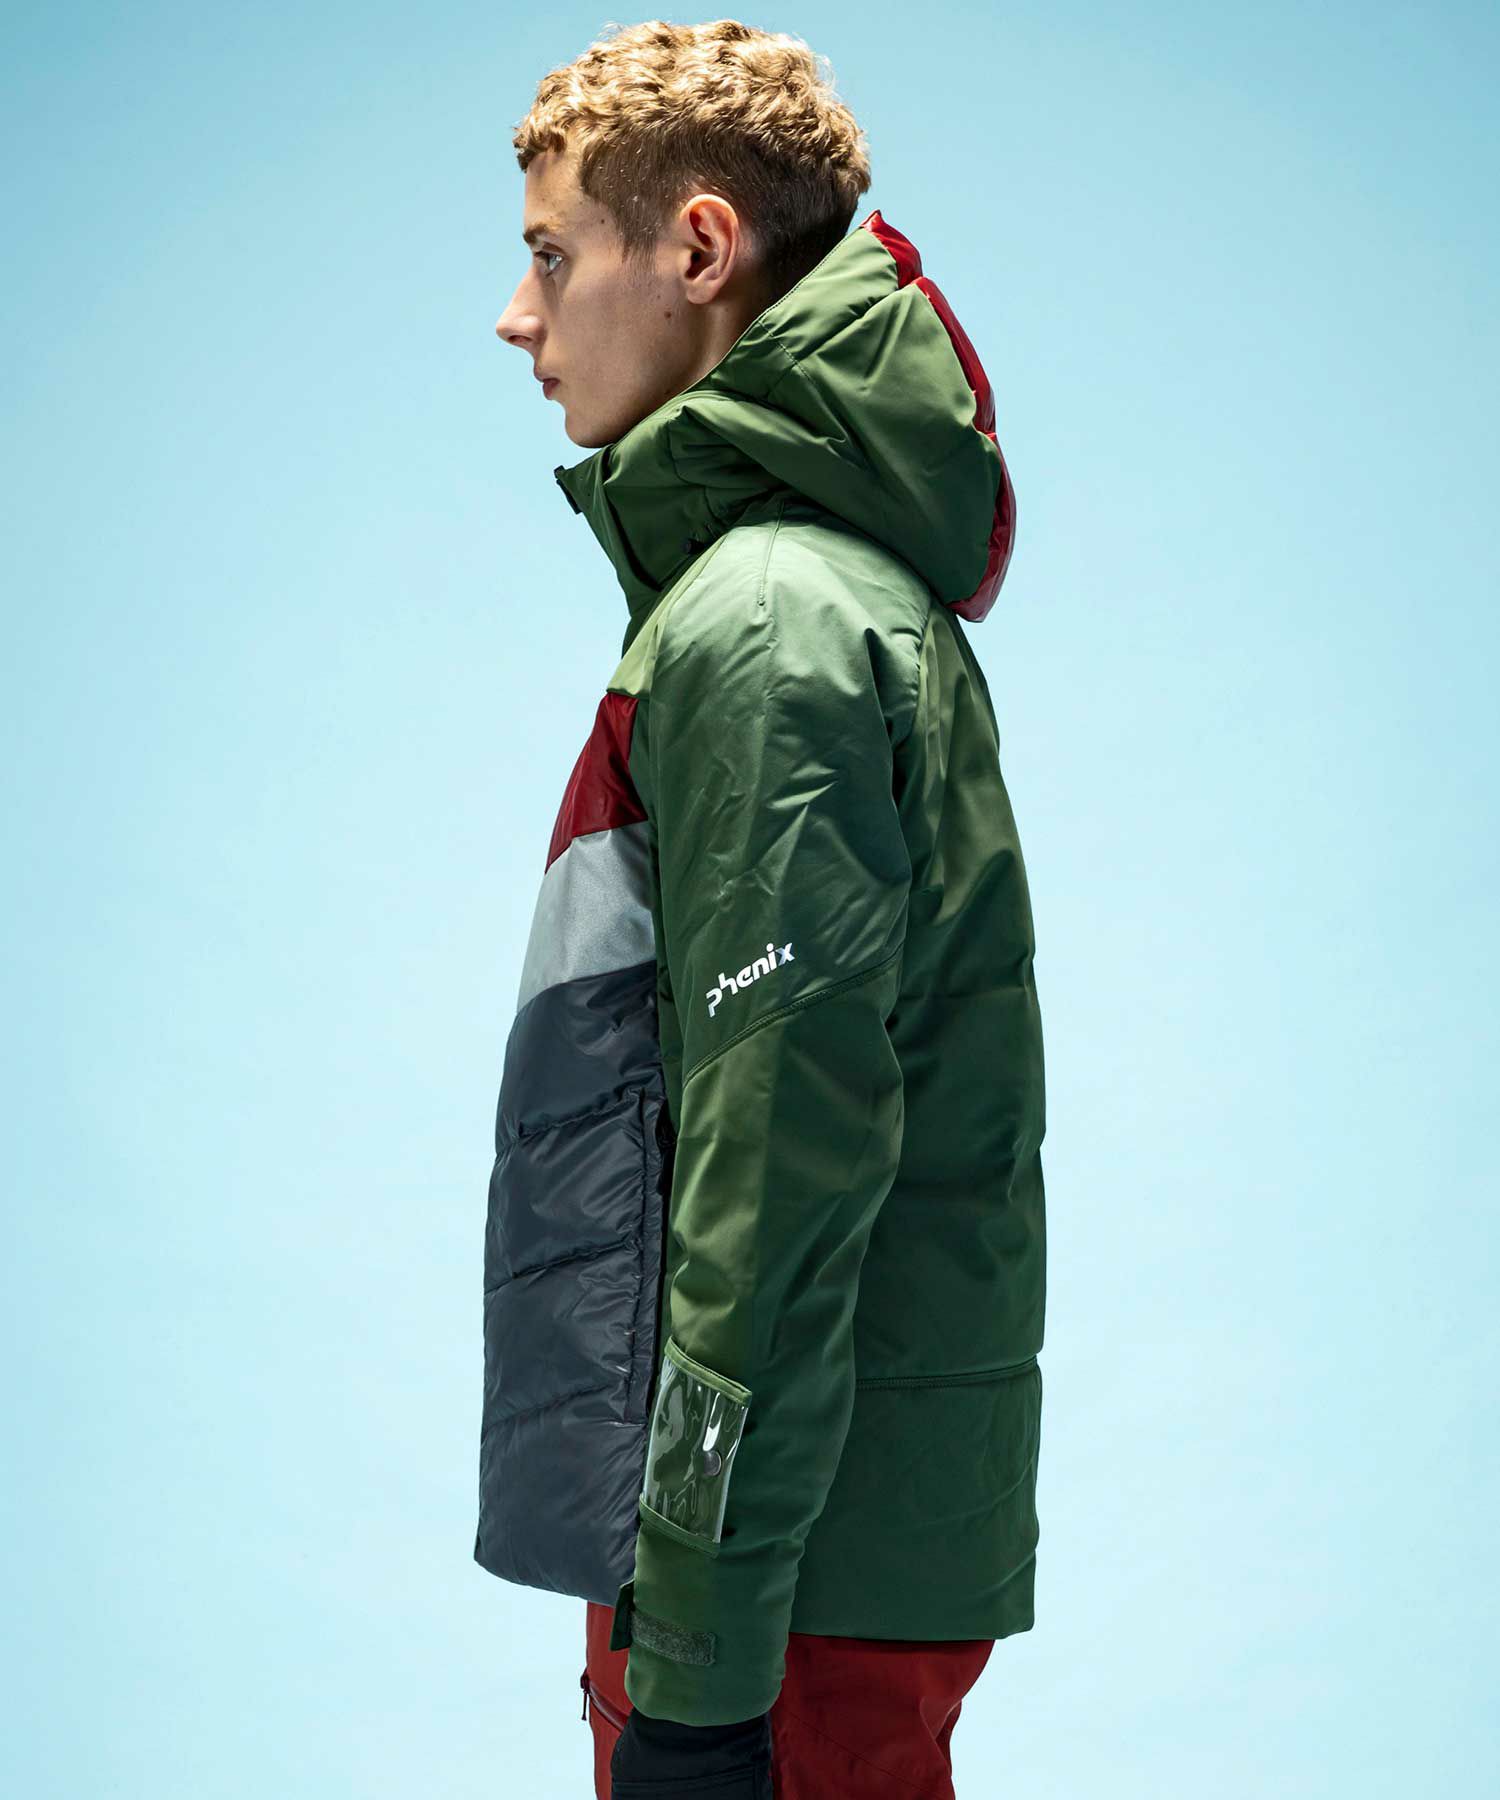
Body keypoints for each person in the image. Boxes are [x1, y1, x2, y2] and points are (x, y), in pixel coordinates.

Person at [478, 19, 1047, 1798]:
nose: (516, 317)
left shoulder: (770, 624)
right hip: (821, 1553)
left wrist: (702, 1679)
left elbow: (775, 1173)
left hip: (777, 1593)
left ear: (701, 249)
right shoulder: (804, 598)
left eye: (552, 256)